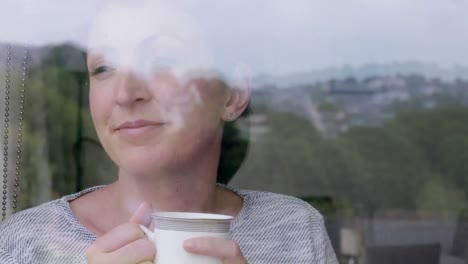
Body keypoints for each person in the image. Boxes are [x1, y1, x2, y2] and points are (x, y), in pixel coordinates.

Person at [0, 1, 338, 263]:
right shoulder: (26, 244)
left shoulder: (293, 230)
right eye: (104, 68)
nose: (125, 92)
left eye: (160, 61)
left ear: (234, 93)